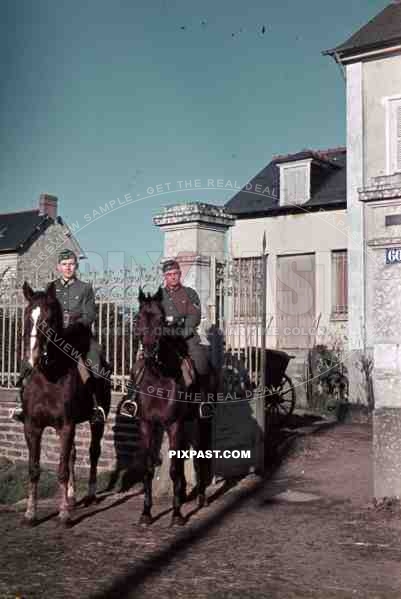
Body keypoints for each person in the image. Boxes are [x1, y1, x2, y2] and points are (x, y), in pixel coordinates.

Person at [11, 249, 106, 424]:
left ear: (76, 266)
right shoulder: (51, 288)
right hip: (54, 337)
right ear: (59, 267)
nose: (68, 268)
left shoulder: (85, 288)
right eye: (64, 265)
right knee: (29, 358)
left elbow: (90, 315)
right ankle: (21, 402)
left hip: (78, 335)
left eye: (71, 264)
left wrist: (74, 326)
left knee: (94, 359)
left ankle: (95, 405)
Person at [119, 259, 211, 418]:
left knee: (200, 361)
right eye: (169, 275)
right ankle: (132, 400)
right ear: (164, 276)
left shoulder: (190, 293)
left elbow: (194, 316)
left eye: (175, 274)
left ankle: (202, 402)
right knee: (138, 365)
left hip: (184, 337)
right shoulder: (159, 296)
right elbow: (148, 317)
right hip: (161, 339)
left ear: (180, 274)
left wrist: (182, 331)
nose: (173, 277)